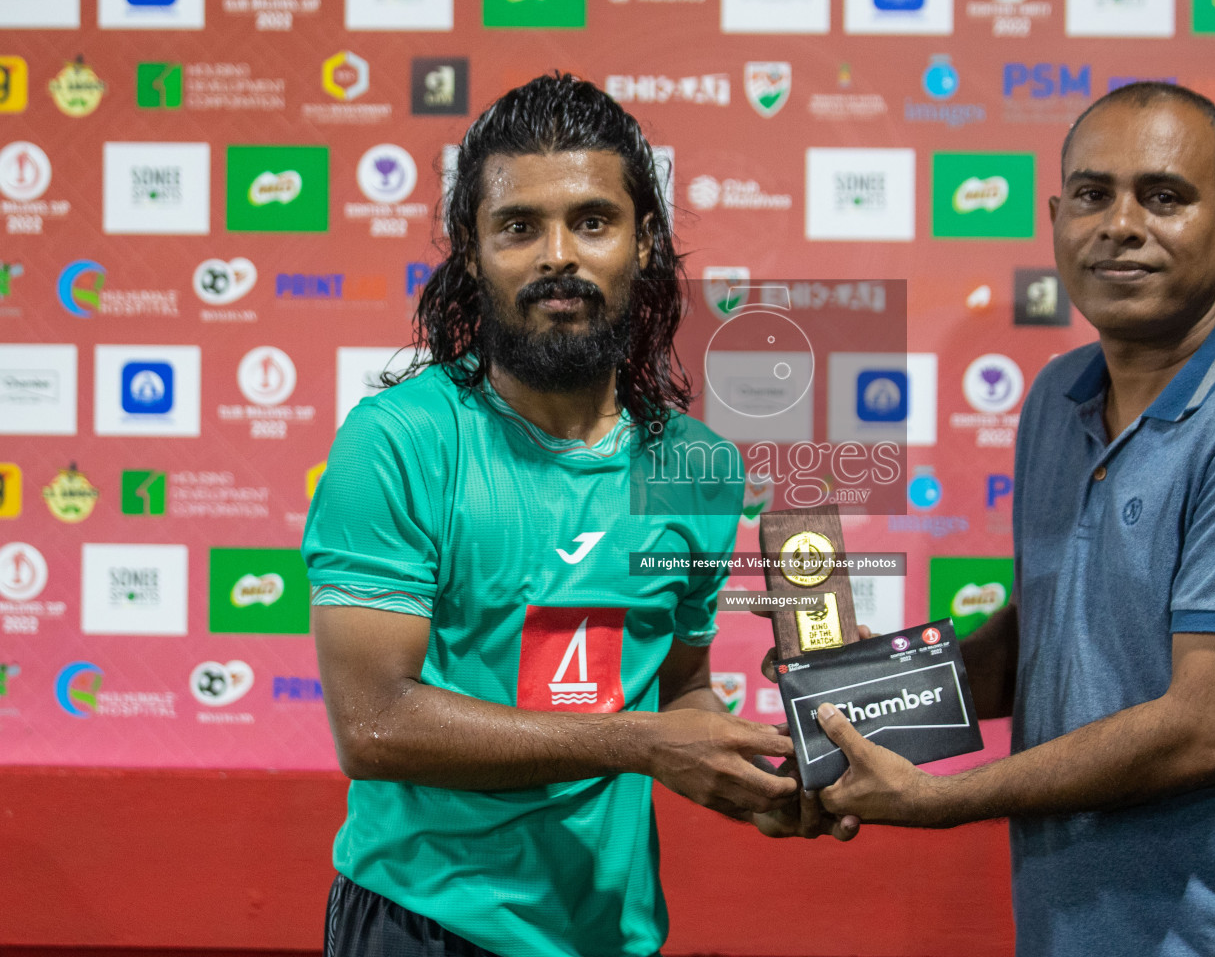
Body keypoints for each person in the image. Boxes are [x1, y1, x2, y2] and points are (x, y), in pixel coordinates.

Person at [810, 82, 1215, 956]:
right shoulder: (1056, 398)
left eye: (1164, 196)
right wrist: (843, 711)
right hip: (1074, 929)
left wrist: (943, 800)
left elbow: (1205, 729)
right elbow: (1042, 638)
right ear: (1055, 218)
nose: (1120, 223)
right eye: (1091, 194)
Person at [303, 74, 851, 957]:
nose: (559, 254)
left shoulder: (698, 466)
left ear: (645, 245)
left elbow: (676, 687)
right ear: (472, 255)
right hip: (423, 923)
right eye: (520, 227)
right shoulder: (398, 441)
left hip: (612, 933)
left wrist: (753, 776)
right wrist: (643, 744)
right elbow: (374, 726)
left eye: (593, 221)